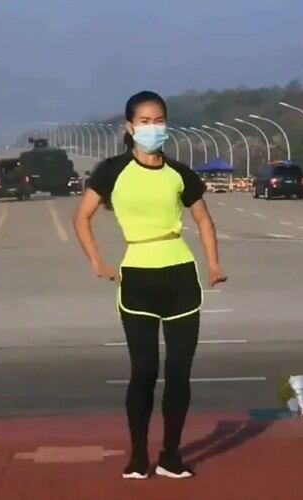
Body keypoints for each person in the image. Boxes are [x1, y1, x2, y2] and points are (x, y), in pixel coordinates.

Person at [73, 91, 226, 480]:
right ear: (130, 127)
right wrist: (97, 263)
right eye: (144, 122)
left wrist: (213, 264)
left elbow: (203, 220)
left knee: (178, 371)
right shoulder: (112, 171)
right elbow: (82, 217)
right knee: (143, 370)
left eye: (159, 121)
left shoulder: (179, 174)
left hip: (180, 276)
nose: (153, 128)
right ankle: (139, 457)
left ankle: (171, 455)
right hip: (137, 278)